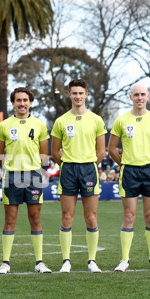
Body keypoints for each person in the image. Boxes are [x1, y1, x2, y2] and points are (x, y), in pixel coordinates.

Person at [108, 84, 150, 272]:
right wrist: (124, 164)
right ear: (130, 97)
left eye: (143, 94)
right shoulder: (121, 120)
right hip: (129, 173)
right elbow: (111, 149)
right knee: (129, 216)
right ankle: (125, 259)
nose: (140, 97)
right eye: (136, 94)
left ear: (148, 97)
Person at [0, 87, 52, 274]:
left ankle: (40, 262)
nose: (22, 103)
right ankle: (5, 262)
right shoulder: (4, 125)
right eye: (18, 100)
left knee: (35, 218)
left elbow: (44, 153)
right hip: (12, 175)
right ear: (13, 103)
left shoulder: (40, 125)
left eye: (25, 100)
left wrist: (37, 169)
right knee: (10, 219)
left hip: (34, 175)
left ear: (30, 102)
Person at [50, 79, 106, 273]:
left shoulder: (96, 119)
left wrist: (88, 164)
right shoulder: (61, 121)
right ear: (69, 95)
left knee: (91, 218)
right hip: (68, 171)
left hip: (89, 169)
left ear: (86, 95)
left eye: (81, 93)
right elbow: (55, 152)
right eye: (74, 93)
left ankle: (92, 261)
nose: (77, 96)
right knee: (67, 217)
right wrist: (68, 164)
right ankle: (66, 260)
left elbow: (101, 152)